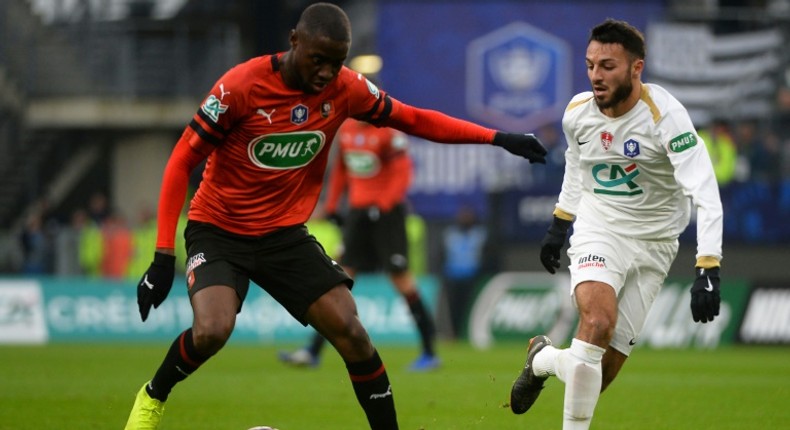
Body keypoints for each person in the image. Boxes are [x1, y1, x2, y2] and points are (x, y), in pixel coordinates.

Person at [124, 3, 547, 430]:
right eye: (317, 59)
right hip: (219, 230)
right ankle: (152, 397)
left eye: (336, 62)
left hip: (283, 235)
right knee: (212, 330)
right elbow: (180, 161)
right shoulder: (241, 86)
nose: (327, 72)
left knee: (353, 333)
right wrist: (162, 258)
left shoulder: (346, 89)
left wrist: (498, 137)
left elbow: (414, 119)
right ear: (294, 41)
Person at [509, 19, 723, 430]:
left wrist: (708, 265)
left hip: (657, 242)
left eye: (607, 66)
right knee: (598, 323)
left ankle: (543, 360)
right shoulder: (577, 113)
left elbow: (706, 191)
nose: (595, 76)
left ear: (636, 69)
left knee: (597, 373)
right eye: (590, 65)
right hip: (599, 227)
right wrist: (560, 222)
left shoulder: (666, 117)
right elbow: (577, 164)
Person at [278, 118, 441, 371]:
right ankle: (312, 352)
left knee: (401, 279)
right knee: (339, 279)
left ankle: (430, 352)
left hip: (387, 215)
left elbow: (403, 171)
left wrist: (385, 204)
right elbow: (341, 169)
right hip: (358, 213)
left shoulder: (389, 133)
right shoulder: (347, 131)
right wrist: (332, 204)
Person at [440, 204, 489, 339]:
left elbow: (488, 255)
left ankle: (468, 334)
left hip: (472, 277)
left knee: (470, 308)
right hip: (453, 277)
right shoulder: (450, 234)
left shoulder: (480, 234)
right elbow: (441, 254)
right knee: (454, 309)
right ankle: (454, 334)